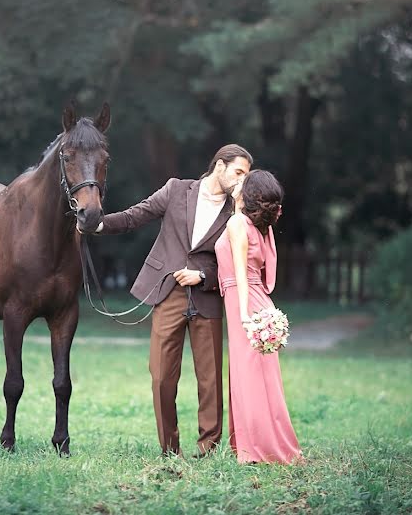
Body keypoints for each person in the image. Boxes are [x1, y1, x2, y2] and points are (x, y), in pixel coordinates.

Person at [88, 144, 252, 457]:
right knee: (162, 375)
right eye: (238, 172)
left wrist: (203, 277)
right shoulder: (177, 190)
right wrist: (98, 224)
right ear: (220, 165)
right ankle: (169, 448)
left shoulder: (236, 210)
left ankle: (209, 448)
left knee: (210, 379)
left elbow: (241, 259)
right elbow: (137, 215)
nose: (242, 180)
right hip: (168, 291)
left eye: (246, 175)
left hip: (207, 296)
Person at [215, 169, 301, 464]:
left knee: (249, 377)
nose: (238, 181)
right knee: (259, 377)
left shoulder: (238, 223)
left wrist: (243, 315)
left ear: (248, 195)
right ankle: (254, 443)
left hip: (246, 301)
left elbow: (240, 271)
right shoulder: (258, 227)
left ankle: (256, 449)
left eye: (243, 181)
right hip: (257, 299)